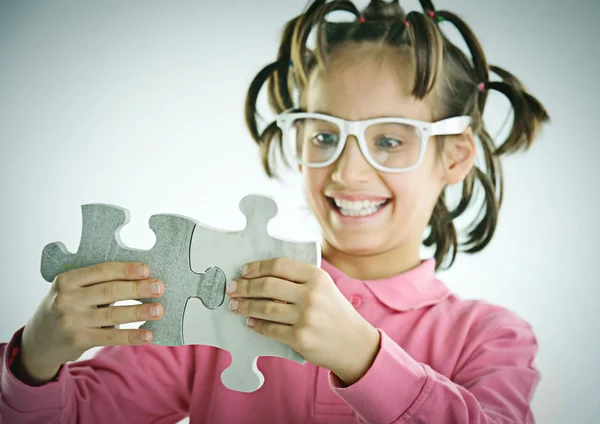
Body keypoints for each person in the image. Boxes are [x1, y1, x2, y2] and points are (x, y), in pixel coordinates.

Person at [0, 0, 550, 423]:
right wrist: (36, 359)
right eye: (324, 134)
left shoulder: (491, 337)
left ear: (454, 156)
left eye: (388, 141)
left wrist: (364, 356)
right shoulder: (216, 292)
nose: (348, 173)